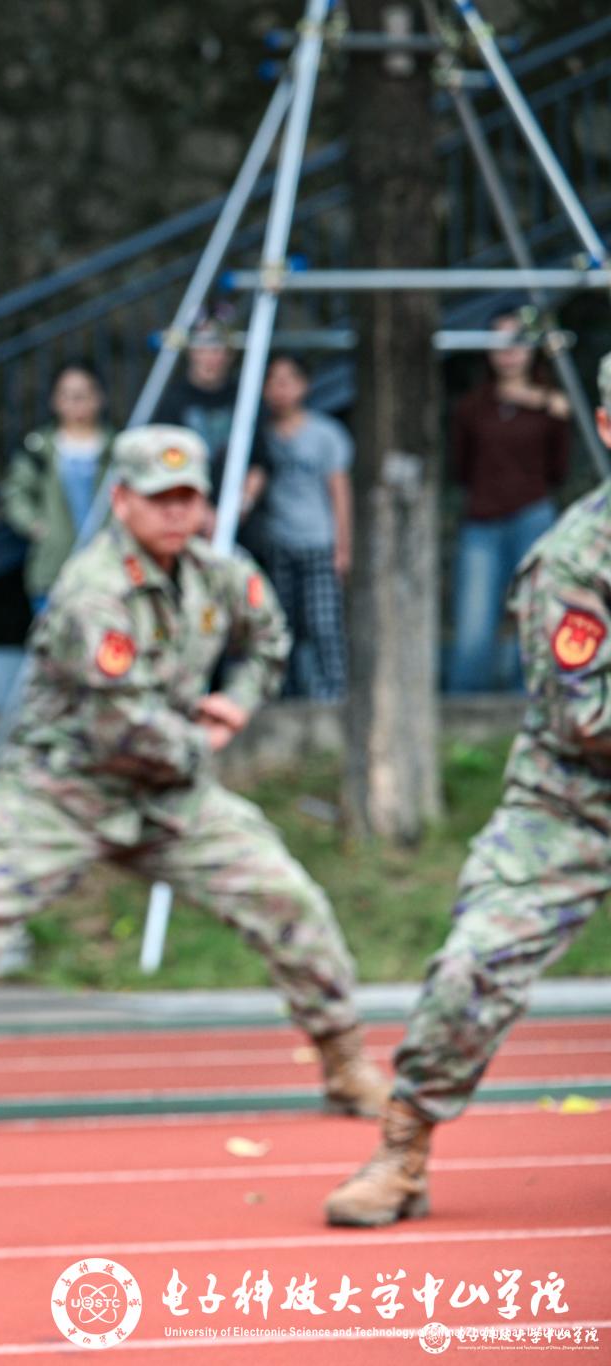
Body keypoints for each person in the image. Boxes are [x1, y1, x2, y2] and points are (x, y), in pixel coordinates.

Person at [0, 425, 391, 1133]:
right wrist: (202, 742)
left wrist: (237, 704)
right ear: (123, 500)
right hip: (60, 792)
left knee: (288, 898)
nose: (176, 512)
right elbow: (123, 724)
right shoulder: (93, 591)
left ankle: (345, 1060)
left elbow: (270, 637)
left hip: (168, 792)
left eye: (188, 498)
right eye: (160, 498)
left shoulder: (218, 573)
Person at [323, 355, 610, 1228]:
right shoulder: (576, 557)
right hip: (574, 803)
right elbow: (586, 717)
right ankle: (403, 1149)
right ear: (607, 427)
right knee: (470, 968)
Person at [444, 313, 573, 694]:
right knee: (474, 616)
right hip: (482, 519)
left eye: (517, 341)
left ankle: (531, 698)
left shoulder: (552, 405)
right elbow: (461, 467)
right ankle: (466, 703)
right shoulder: (471, 407)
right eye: (500, 342)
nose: (509, 352)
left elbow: (559, 469)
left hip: (533, 515)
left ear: (532, 349)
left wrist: (543, 403)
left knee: (536, 610)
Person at [245, 354, 351, 699]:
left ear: (304, 385)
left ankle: (333, 697)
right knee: (280, 625)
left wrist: (343, 547)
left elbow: (340, 491)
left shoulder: (325, 434)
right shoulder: (257, 435)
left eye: (288, 380)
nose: (281, 389)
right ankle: (286, 697)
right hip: (278, 542)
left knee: (324, 625)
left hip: (319, 542)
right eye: (273, 381)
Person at [3, 362, 114, 610]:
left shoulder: (116, 447)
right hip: (55, 570)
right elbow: (16, 492)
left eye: (82, 394)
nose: (75, 402)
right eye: (67, 394)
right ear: (54, 400)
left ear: (99, 397)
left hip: (109, 568)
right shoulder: (39, 447)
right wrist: (34, 525)